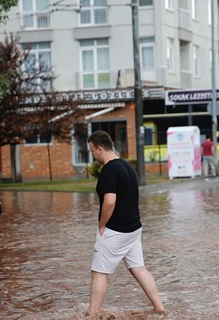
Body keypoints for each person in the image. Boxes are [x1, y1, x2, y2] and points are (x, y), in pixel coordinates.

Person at [86, 130, 165, 315]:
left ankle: (92, 315)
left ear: (99, 149)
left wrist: (101, 225)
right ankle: (160, 309)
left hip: (116, 230)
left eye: (91, 150)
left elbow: (110, 201)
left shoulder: (109, 170)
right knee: (139, 268)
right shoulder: (127, 166)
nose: (92, 155)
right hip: (134, 229)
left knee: (99, 272)